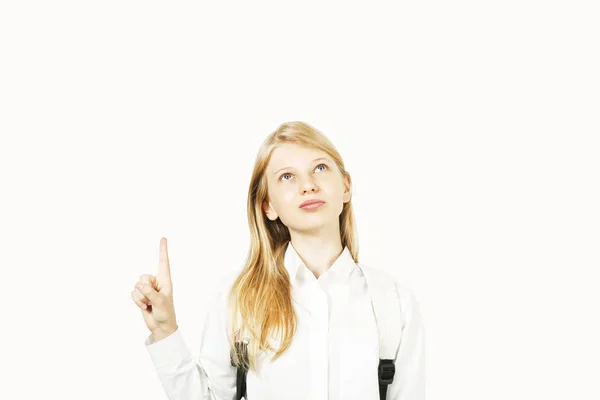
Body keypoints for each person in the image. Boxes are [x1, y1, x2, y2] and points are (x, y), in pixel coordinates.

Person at [131, 121, 426, 399]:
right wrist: (165, 330)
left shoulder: (393, 301)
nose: (308, 185)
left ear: (346, 187)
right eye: (287, 176)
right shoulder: (237, 298)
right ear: (268, 205)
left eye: (320, 168)